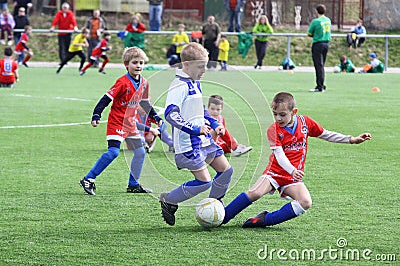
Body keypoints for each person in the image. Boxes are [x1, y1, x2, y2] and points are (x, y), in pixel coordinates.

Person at [222, 92, 372, 228]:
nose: (278, 118)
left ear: (294, 112)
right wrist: (292, 170)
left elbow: (326, 134)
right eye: (275, 114)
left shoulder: (305, 123)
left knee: (305, 202)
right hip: (274, 172)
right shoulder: (273, 130)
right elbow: (279, 155)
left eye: (282, 114)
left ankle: (264, 220)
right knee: (255, 193)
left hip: (292, 178)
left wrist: (351, 139)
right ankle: (222, 217)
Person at [159, 42, 233, 226]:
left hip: (204, 139)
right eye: (200, 66)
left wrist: (215, 124)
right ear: (186, 65)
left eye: (205, 66)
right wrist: (194, 129)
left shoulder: (195, 82)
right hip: (188, 143)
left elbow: (199, 109)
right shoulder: (178, 86)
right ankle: (169, 200)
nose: (204, 70)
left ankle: (214, 206)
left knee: (226, 171)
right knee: (204, 182)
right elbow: (171, 114)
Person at [80, 47, 164, 195]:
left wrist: (155, 117)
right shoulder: (122, 82)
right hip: (117, 122)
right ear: (126, 64)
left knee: (140, 152)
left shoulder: (144, 83)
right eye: (134, 62)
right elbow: (106, 99)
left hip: (130, 124)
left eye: (141, 63)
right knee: (113, 152)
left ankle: (133, 184)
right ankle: (88, 179)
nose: (138, 66)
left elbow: (145, 104)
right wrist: (96, 114)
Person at [307, 4, 331, 93]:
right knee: (321, 65)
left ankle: (319, 86)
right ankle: (322, 85)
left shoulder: (316, 21)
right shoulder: (328, 20)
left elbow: (309, 33)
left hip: (317, 44)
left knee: (318, 66)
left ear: (317, 11)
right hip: (326, 44)